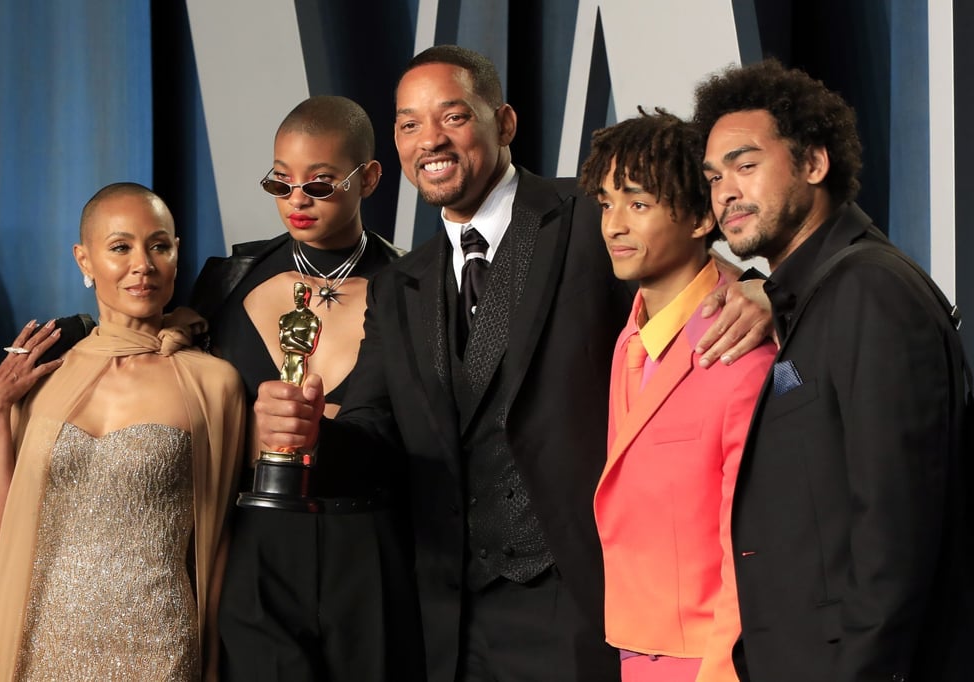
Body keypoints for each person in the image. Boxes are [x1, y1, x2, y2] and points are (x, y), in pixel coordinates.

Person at [255, 46, 773, 682]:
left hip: (581, 602)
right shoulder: (400, 284)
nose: (430, 140)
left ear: (503, 123)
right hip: (449, 616)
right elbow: (381, 431)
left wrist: (762, 288)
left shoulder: (589, 217)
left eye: (452, 116)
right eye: (409, 124)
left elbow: (686, 259)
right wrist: (313, 437)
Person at [695, 59, 974, 681]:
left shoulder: (870, 291)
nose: (725, 193)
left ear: (815, 164)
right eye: (714, 176)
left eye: (746, 165)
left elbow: (896, 530)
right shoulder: (810, 293)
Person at [0, 183, 245, 680]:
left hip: (157, 644)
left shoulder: (212, 383)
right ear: (84, 260)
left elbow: (218, 544)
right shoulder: (45, 373)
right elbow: (3, 532)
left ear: (176, 254)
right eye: (120, 247)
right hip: (40, 634)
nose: (143, 265)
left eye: (159, 245)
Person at [189, 95, 422, 682]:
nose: (296, 200)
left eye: (319, 184)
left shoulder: (418, 291)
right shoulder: (223, 283)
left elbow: (426, 438)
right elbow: (174, 388)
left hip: (367, 550)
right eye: (280, 182)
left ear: (368, 178)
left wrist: (328, 433)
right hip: (253, 553)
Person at [580, 110, 775, 681]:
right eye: (606, 203)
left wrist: (720, 668)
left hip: (709, 659)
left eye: (638, 204)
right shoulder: (629, 337)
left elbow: (750, 541)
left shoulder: (743, 343)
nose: (615, 224)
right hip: (632, 643)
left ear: (697, 216)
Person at [278, 282, 322, 385]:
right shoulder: (285, 318)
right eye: (296, 292)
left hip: (299, 363)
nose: (297, 296)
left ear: (307, 295)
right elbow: (282, 344)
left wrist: (291, 341)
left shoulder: (312, 319)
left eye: (300, 292)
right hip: (286, 363)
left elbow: (309, 349)